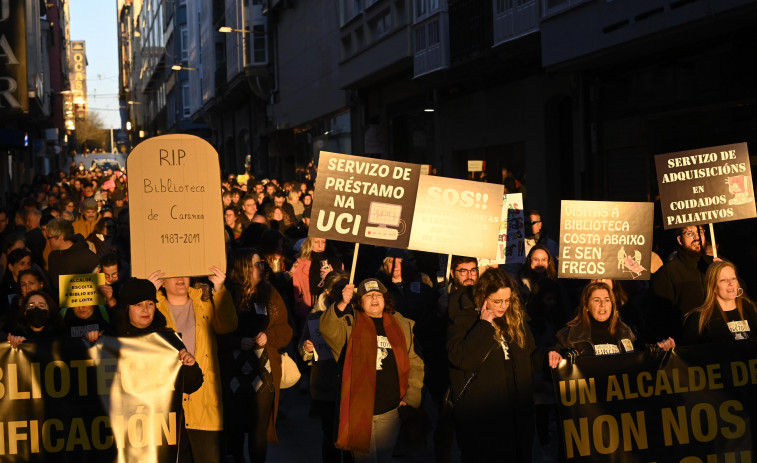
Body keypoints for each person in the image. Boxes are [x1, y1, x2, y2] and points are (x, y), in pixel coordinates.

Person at [446, 268, 561, 462]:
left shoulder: (516, 320)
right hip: (482, 417)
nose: (503, 306)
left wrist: (547, 355)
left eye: (507, 300)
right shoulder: (464, 319)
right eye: (497, 301)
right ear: (483, 297)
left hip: (517, 413)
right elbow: (462, 359)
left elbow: (530, 357)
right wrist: (483, 326)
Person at [320, 278, 424, 462]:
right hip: (358, 410)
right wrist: (343, 302)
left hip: (391, 409)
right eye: (368, 295)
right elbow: (328, 329)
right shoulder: (349, 323)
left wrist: (411, 396)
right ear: (359, 301)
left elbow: (414, 362)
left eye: (378, 295)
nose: (374, 298)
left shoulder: (400, 323)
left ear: (386, 299)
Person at [149, 265, 238, 461]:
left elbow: (228, 325)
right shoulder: (154, 308)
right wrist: (147, 293)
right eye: (172, 275)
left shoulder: (205, 302)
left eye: (184, 272)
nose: (180, 278)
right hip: (168, 407)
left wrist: (220, 288)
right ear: (162, 281)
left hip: (204, 403)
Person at [113, 278, 204, 463]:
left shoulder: (168, 340)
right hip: (128, 436)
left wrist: (191, 365)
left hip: (165, 434)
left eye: (150, 304)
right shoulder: (111, 343)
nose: (145, 310)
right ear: (127, 308)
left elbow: (191, 385)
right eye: (138, 304)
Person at [220, 249, 293, 463]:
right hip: (232, 371)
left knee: (258, 427)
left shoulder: (270, 293)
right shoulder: (226, 294)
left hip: (263, 371)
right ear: (243, 268)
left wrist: (268, 337)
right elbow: (211, 334)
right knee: (234, 427)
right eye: (256, 264)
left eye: (262, 263)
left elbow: (286, 329)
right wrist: (236, 342)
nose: (262, 267)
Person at [298, 271, 351, 463]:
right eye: (339, 289)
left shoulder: (355, 313)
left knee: (350, 437)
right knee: (330, 435)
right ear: (328, 292)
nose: (344, 292)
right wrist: (307, 349)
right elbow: (303, 346)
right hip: (325, 386)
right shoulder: (316, 317)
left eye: (346, 288)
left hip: (350, 384)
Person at [556, 281, 675, 356]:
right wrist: (557, 355)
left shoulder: (625, 331)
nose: (603, 304)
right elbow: (550, 363)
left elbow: (640, 357)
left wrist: (660, 349)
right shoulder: (569, 335)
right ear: (586, 305)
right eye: (597, 300)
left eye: (607, 300)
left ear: (612, 304)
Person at [649, 225, 714, 340]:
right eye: (690, 233)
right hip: (687, 344)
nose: (697, 237)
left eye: (700, 232)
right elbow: (659, 317)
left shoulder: (715, 266)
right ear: (680, 240)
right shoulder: (668, 273)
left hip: (718, 340)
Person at [680, 261, 757, 345]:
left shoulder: (751, 308)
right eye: (723, 280)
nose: (730, 283)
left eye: (733, 278)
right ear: (713, 287)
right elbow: (686, 353)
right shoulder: (700, 318)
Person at [292, 237, 343, 331]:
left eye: (323, 242)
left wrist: (331, 276)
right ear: (309, 243)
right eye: (316, 242)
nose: (320, 245)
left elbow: (341, 287)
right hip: (308, 312)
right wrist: (302, 309)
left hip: (330, 311)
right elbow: (296, 291)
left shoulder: (336, 263)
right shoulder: (301, 263)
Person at [46, 218, 100, 294]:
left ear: (61, 237)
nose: (47, 242)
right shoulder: (52, 256)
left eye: (49, 238)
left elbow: (98, 288)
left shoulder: (88, 257)